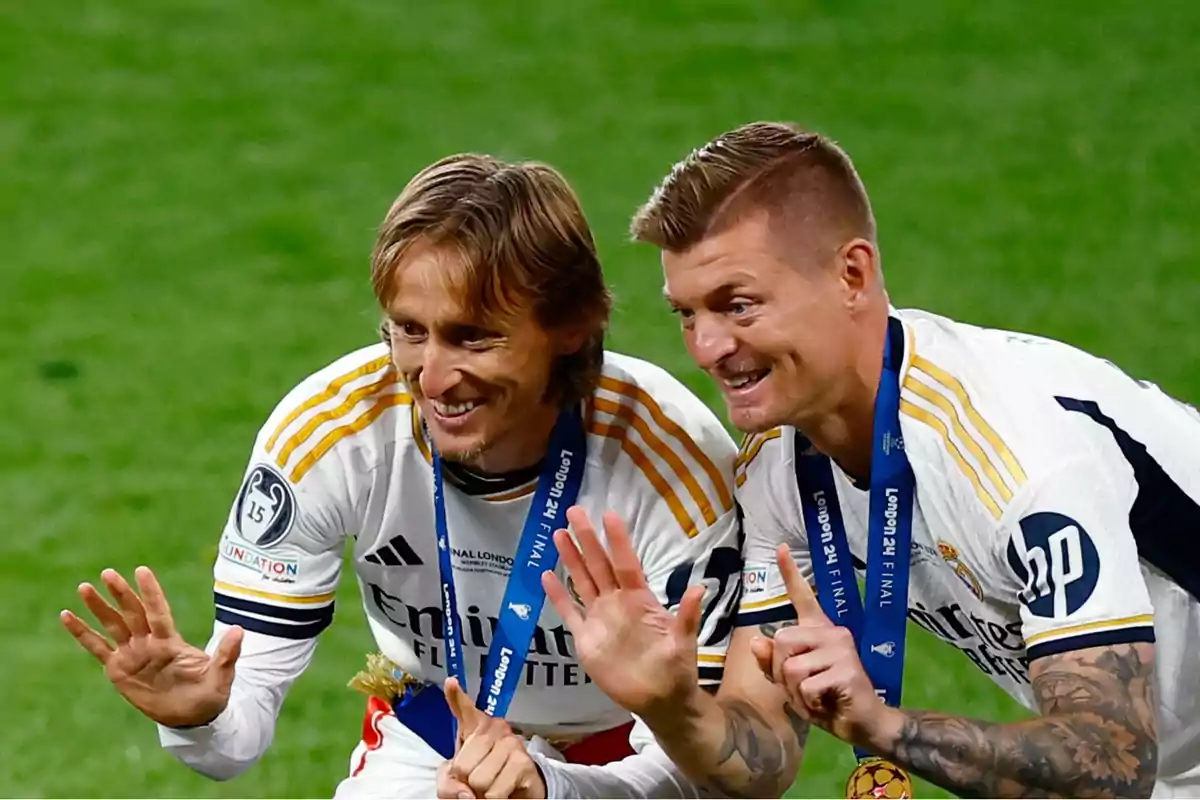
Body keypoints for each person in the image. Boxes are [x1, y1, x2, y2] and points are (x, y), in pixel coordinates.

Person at [540, 121, 1200, 799]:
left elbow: (1110, 764)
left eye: (738, 305)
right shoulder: (779, 469)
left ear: (852, 274)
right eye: (687, 313)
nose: (706, 346)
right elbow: (760, 758)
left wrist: (884, 725)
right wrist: (669, 703)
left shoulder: (1019, 453)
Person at [58, 153, 745, 799]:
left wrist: (549, 786)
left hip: (629, 752)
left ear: (573, 324)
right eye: (409, 331)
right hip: (432, 729)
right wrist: (196, 719)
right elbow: (233, 742)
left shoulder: (671, 463)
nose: (434, 379)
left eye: (474, 336)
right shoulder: (332, 433)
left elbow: (719, 772)